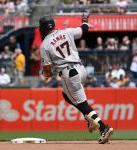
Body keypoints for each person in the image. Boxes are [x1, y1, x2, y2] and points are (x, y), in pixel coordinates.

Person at [39, 14, 114, 144]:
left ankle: (103, 127)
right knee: (66, 95)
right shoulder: (66, 32)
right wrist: (85, 21)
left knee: (82, 104)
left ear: (43, 28)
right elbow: (84, 29)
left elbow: (47, 67)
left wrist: (47, 75)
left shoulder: (44, 44)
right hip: (81, 70)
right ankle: (89, 119)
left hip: (69, 73)